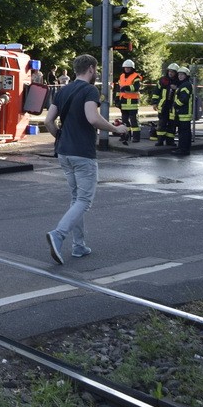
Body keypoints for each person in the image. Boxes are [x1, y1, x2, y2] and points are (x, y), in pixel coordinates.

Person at [43, 54, 128, 265]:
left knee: (76, 199)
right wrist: (115, 129)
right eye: (95, 69)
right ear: (91, 69)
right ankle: (59, 234)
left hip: (64, 152)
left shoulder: (63, 90)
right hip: (83, 153)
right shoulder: (90, 90)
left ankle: (79, 246)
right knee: (84, 201)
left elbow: (48, 121)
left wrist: (60, 138)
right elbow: (92, 118)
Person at [151, 63, 179, 146]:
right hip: (163, 106)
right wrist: (154, 103)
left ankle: (170, 141)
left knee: (172, 124)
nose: (170, 73)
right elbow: (156, 92)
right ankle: (160, 141)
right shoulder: (163, 80)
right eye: (169, 71)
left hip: (173, 106)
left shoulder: (178, 81)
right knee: (162, 123)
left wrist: (176, 88)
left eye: (173, 72)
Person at [116, 59, 143, 143]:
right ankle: (125, 136)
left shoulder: (136, 76)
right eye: (125, 68)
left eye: (128, 68)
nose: (127, 69)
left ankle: (136, 137)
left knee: (134, 120)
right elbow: (118, 89)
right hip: (123, 101)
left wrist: (126, 88)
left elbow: (136, 87)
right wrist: (116, 99)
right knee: (124, 121)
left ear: (132, 68)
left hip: (132, 101)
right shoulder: (121, 76)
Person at [171, 65, 194, 156]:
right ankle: (183, 148)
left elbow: (184, 99)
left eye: (182, 75)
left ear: (186, 76)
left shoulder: (185, 85)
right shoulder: (185, 84)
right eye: (179, 74)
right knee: (185, 132)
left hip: (184, 113)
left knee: (183, 133)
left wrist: (175, 104)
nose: (180, 76)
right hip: (183, 112)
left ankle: (183, 149)